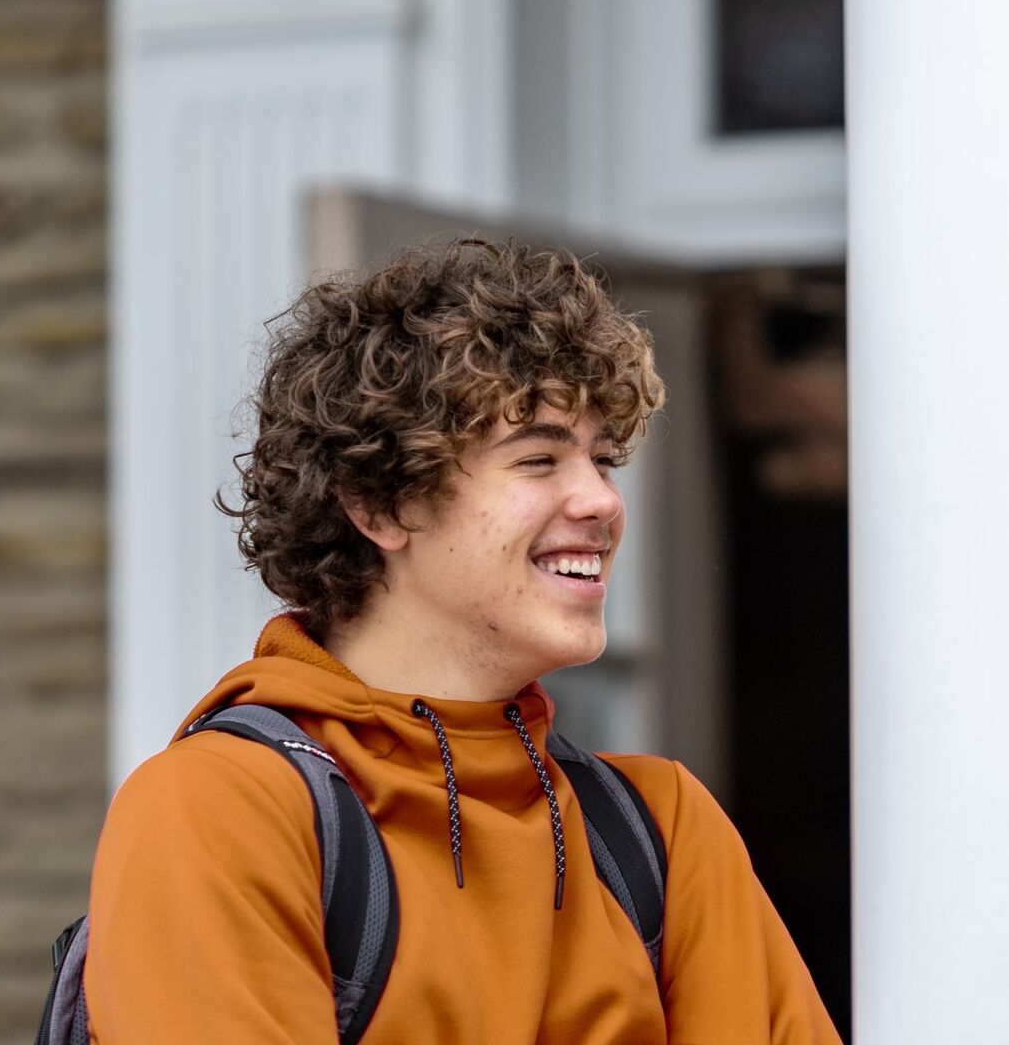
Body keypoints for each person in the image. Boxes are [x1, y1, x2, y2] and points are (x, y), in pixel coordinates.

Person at [83, 238, 842, 1043]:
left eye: (605, 460)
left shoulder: (661, 828)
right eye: (539, 458)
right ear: (382, 506)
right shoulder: (223, 811)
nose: (601, 502)